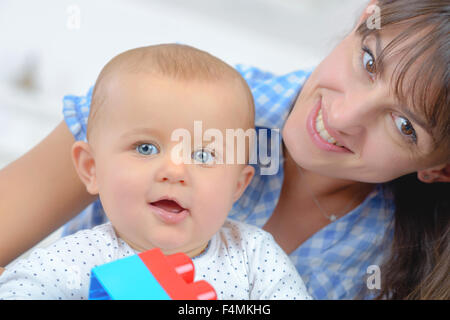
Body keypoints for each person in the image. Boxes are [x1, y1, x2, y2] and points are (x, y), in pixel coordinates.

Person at [0, 0, 448, 299]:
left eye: (405, 126)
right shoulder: (162, 96)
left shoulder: (264, 254)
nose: (343, 115)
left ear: (441, 169)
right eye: (368, 62)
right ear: (366, 16)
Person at [0, 44, 311, 300]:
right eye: (146, 148)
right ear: (91, 168)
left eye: (202, 155)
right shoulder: (78, 257)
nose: (175, 172)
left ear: (237, 186)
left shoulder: (256, 258)